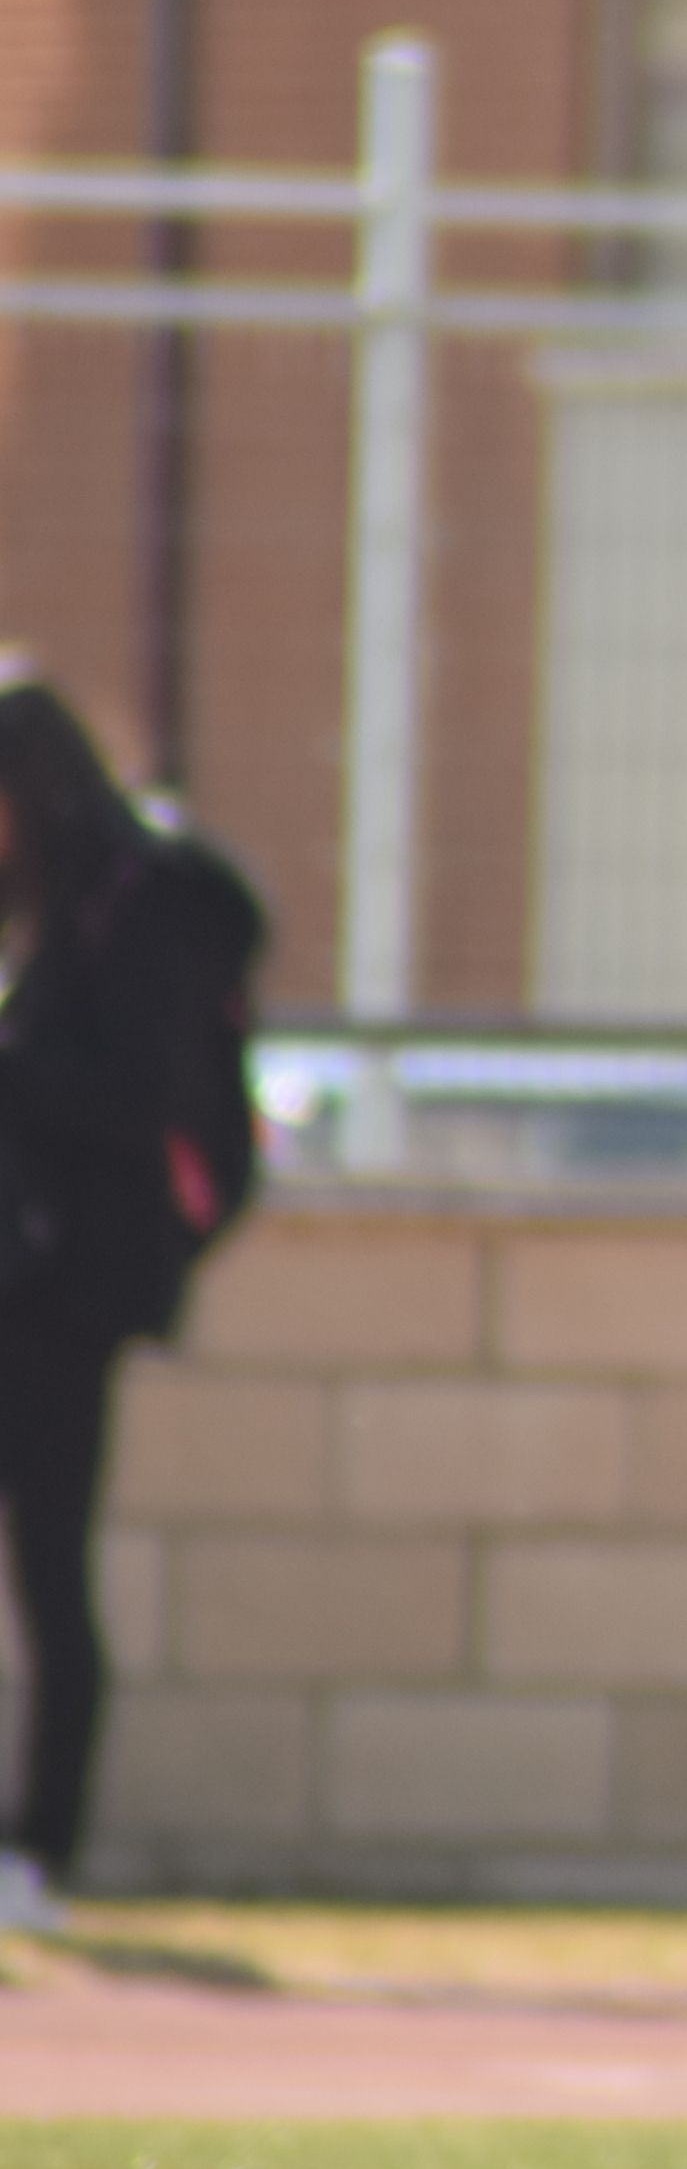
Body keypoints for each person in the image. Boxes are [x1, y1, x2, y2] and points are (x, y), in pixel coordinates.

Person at [0, 672, 268, 1936]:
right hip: (25, 1271)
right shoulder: (52, 917)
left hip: (66, 1292)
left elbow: (137, 1094)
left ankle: (42, 1850)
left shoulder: (134, 905)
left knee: (52, 1558)